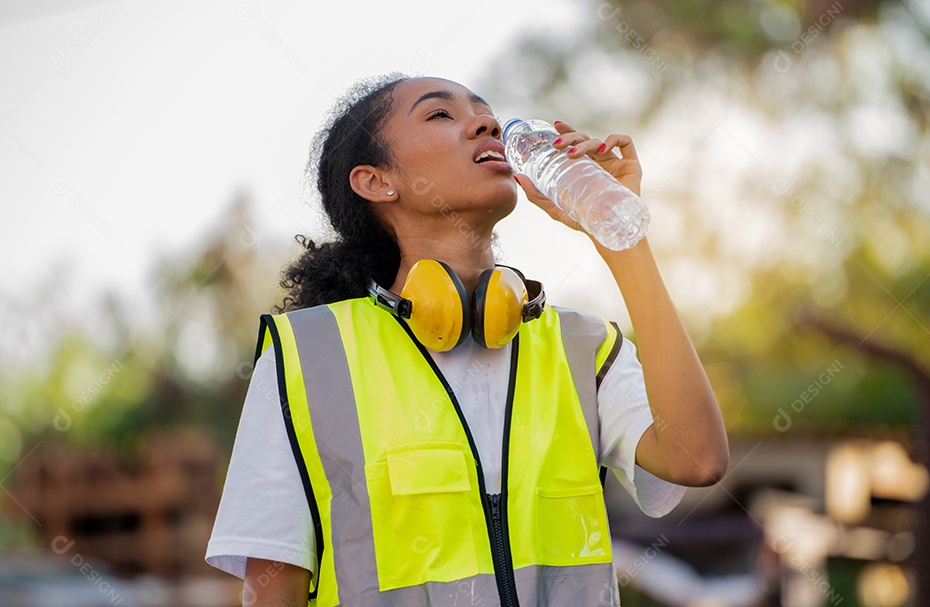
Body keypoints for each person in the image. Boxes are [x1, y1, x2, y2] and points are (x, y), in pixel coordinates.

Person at [206, 74, 729, 607]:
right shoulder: (308, 355)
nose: (488, 123)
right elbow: (273, 590)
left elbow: (697, 461)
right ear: (375, 181)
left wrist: (620, 233)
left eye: (485, 112)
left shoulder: (582, 345)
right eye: (440, 115)